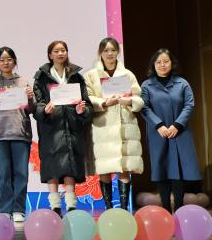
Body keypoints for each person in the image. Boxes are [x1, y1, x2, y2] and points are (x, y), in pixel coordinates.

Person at [32, 41, 92, 214]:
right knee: (51, 165)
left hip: (72, 126)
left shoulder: (76, 76)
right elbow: (37, 104)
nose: (60, 53)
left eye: (63, 50)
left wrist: (82, 110)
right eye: (56, 51)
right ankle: (55, 206)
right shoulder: (41, 77)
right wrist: (44, 110)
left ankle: (71, 205)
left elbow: (87, 103)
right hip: (51, 127)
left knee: (70, 164)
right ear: (50, 55)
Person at [84, 37, 143, 209]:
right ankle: (109, 208)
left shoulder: (127, 74)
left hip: (125, 124)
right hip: (102, 124)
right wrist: (104, 102)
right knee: (104, 168)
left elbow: (139, 98)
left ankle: (124, 208)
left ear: (118, 52)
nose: (110, 53)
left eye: (113, 50)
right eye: (106, 50)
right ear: (100, 53)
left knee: (124, 167)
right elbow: (88, 97)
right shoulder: (91, 75)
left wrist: (128, 101)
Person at [141, 48, 200, 212]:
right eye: (159, 62)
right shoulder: (146, 85)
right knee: (161, 169)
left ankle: (179, 209)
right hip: (158, 133)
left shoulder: (182, 83)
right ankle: (165, 209)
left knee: (178, 170)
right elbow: (144, 107)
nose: (162, 65)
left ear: (171, 63)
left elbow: (189, 105)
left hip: (179, 132)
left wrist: (177, 125)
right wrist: (159, 125)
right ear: (153, 65)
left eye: (166, 61)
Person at [0, 47, 34, 223]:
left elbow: (32, 109)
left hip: (20, 132)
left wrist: (30, 98)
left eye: (9, 59)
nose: (6, 63)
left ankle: (18, 209)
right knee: (3, 173)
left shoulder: (23, 82)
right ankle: (5, 209)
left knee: (21, 173)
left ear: (14, 61)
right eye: (2, 60)